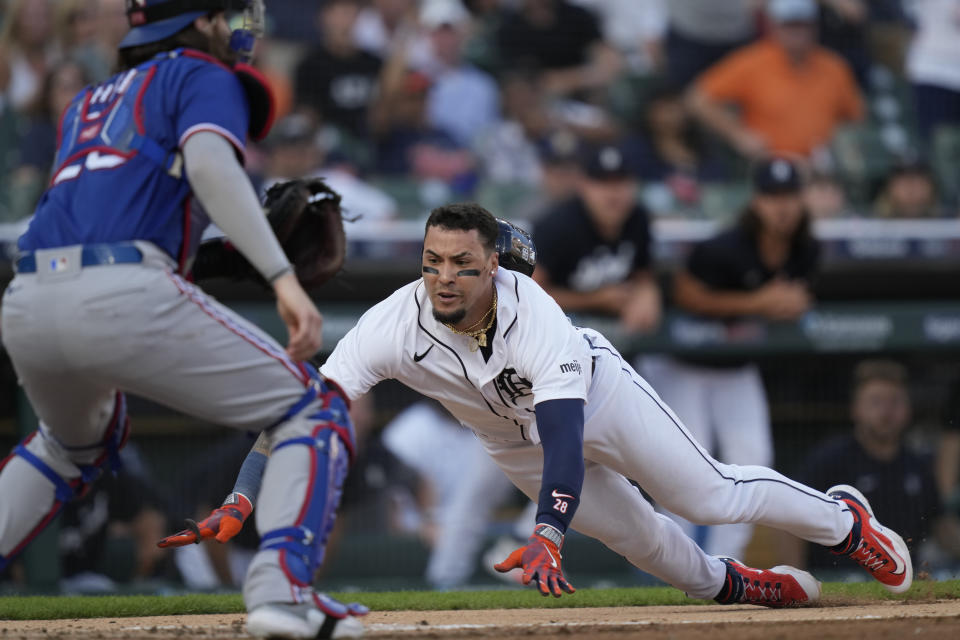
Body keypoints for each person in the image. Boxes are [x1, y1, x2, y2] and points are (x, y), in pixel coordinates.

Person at [180, 203, 914, 607]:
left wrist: (549, 534)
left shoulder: (537, 315)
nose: (444, 277)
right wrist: (245, 492)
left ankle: (843, 522)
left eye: (463, 263)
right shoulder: (390, 325)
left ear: (492, 266)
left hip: (596, 399)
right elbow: (309, 414)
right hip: (514, 445)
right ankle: (742, 586)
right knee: (645, 545)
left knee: (707, 494)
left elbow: (566, 438)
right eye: (432, 261)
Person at [0, 2, 365, 638]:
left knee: (67, 445)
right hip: (120, 289)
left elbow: (113, 218)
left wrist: (221, 255)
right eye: (227, 13)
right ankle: (283, 594)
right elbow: (209, 164)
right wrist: (281, 276)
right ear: (195, 20)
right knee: (315, 407)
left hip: (29, 295)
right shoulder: (201, 72)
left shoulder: (87, 102)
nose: (241, 27)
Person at [640, 157, 817, 561]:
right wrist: (759, 302)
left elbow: (798, 298)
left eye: (789, 196)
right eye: (773, 197)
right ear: (757, 201)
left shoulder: (806, 248)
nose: (782, 206)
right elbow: (686, 294)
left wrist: (787, 305)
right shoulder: (727, 245)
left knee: (754, 460)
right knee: (684, 470)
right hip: (682, 364)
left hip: (736, 367)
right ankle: (676, 568)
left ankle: (726, 567)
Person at [789, 360, 960, 573]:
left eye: (895, 402)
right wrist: (796, 574)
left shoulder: (918, 465)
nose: (886, 412)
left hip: (903, 579)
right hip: (837, 579)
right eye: (875, 402)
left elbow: (940, 525)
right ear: (856, 409)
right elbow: (791, 520)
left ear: (908, 410)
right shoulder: (828, 460)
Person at [687, 0, 863, 160]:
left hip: (822, 166)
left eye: (803, 25)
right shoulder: (753, 62)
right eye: (789, 25)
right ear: (774, 27)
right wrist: (738, 135)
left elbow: (855, 116)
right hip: (771, 163)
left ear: (815, 27)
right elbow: (698, 98)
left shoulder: (834, 67)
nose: (797, 32)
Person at [532, 144, 661, 334]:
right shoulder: (556, 226)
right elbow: (530, 295)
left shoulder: (638, 219)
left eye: (620, 182)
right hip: (557, 333)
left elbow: (643, 274)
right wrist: (596, 299)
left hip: (618, 330)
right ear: (584, 186)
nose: (612, 193)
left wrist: (647, 293)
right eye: (602, 183)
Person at [293, 0, 382, 139]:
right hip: (329, 143)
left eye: (352, 14)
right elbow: (307, 116)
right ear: (324, 18)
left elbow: (384, 115)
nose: (346, 22)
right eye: (341, 14)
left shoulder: (374, 62)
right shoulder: (310, 65)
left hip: (372, 141)